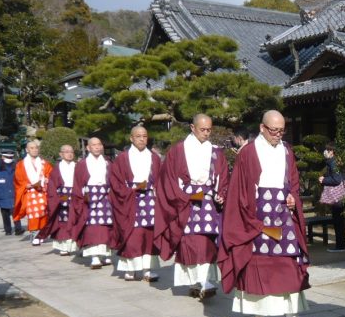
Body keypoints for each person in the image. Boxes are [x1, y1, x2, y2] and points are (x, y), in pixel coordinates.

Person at [219, 109, 312, 317]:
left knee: (289, 262)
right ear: (262, 128)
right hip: (256, 214)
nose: (278, 135)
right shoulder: (248, 152)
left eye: (282, 130)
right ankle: (259, 316)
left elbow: (293, 182)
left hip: (282, 213)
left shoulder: (287, 151)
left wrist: (292, 198)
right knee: (259, 263)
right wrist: (250, 216)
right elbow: (239, 189)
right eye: (274, 130)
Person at [154, 114, 229, 300]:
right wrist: (182, 196)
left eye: (209, 130)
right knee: (189, 242)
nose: (206, 133)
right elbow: (167, 179)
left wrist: (222, 194)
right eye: (203, 129)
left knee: (207, 241)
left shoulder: (216, 151)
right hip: (185, 201)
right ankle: (197, 281)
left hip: (209, 202)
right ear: (192, 128)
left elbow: (224, 177)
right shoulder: (178, 151)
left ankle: (204, 281)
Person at [109, 125, 161, 282]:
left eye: (144, 136)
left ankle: (147, 269)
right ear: (131, 138)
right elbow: (115, 182)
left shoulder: (155, 157)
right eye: (138, 136)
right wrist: (130, 190)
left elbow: (161, 180)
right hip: (130, 199)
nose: (142, 139)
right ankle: (130, 268)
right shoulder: (122, 158)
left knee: (148, 234)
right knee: (132, 234)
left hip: (150, 200)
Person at [69, 137, 113, 269]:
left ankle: (105, 254)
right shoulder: (82, 164)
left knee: (105, 227)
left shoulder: (108, 163)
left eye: (99, 144)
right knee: (92, 227)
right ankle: (94, 257)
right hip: (89, 197)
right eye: (94, 145)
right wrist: (82, 197)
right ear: (88, 148)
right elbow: (77, 183)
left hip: (105, 195)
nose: (97, 147)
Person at [39, 144, 78, 256]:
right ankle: (63, 247)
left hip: (76, 195)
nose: (69, 154)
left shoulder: (78, 166)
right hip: (63, 196)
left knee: (77, 219)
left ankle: (76, 245)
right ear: (61, 154)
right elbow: (52, 186)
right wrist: (58, 199)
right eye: (66, 151)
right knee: (63, 221)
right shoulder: (56, 169)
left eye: (71, 151)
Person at [13, 140, 52, 245]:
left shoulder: (45, 163)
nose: (35, 150)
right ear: (27, 150)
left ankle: (42, 233)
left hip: (43, 191)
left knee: (44, 213)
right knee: (33, 214)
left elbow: (50, 174)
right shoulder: (21, 164)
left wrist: (47, 179)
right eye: (32, 148)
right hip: (30, 192)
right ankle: (35, 234)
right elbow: (18, 179)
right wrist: (26, 185)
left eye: (36, 148)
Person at [318, 141, 345, 252]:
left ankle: (340, 246)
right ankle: (340, 245)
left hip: (337, 197)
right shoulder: (336, 161)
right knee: (338, 220)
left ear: (332, 152)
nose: (326, 152)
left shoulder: (333, 162)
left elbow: (336, 179)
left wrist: (324, 179)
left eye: (328, 150)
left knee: (338, 220)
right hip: (340, 195)